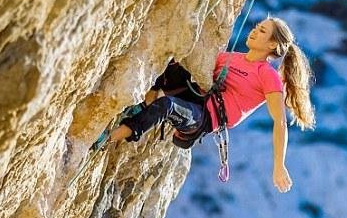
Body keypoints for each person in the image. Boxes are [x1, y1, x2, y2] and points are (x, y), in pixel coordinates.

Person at [106, 16, 316, 193]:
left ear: (272, 45)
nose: (254, 30)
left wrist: (279, 165)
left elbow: (279, 121)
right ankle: (146, 102)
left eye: (262, 31)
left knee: (167, 105)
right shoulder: (229, 58)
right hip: (196, 96)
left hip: (205, 117)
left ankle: (111, 137)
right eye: (256, 27)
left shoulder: (267, 75)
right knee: (171, 62)